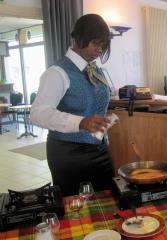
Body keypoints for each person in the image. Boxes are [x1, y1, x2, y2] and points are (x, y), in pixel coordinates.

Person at [30, 14, 115, 196]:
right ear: (79, 38)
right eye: (95, 43)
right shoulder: (57, 72)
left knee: (108, 200)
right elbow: (37, 113)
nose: (99, 50)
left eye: (103, 45)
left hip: (100, 149)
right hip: (68, 153)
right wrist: (81, 122)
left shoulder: (96, 70)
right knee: (75, 209)